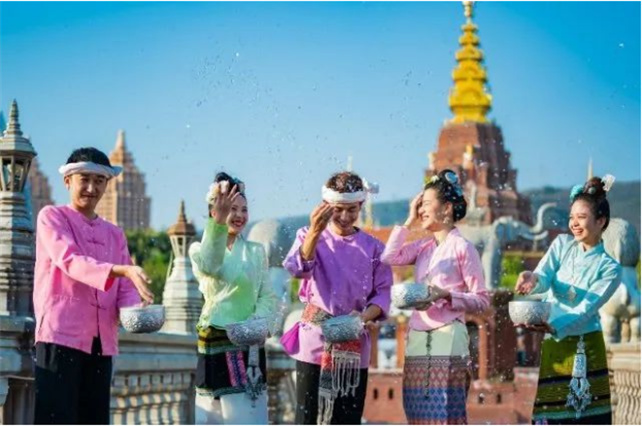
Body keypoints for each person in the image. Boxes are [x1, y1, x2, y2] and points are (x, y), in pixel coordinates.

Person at [33, 147, 154, 425]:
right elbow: (71, 260)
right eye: (84, 179)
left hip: (102, 343)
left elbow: (125, 288)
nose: (91, 188)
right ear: (68, 181)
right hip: (60, 337)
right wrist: (122, 270)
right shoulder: (52, 217)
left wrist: (138, 309)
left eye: (99, 181)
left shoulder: (115, 234)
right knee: (56, 419)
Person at [281, 171, 393, 425]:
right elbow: (297, 269)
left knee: (347, 418)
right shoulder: (308, 235)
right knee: (307, 416)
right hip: (315, 338)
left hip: (353, 340)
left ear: (361, 205)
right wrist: (315, 231)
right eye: (337, 209)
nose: (344, 216)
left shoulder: (374, 248)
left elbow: (383, 293)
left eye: (351, 210)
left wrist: (362, 318)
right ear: (325, 206)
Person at [381, 169, 490, 425]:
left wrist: (447, 295)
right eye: (420, 205)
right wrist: (409, 219)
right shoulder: (424, 247)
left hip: (449, 333)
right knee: (416, 409)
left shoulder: (464, 248)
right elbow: (389, 258)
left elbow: (482, 300)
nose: (421, 210)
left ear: (447, 208)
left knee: (446, 409)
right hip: (418, 333)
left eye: (426, 204)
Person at [515, 176, 621, 425]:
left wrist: (554, 326)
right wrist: (531, 278)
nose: (574, 223)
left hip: (584, 346)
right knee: (551, 414)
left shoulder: (610, 268)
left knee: (582, 415)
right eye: (572, 217)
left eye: (581, 217)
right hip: (554, 343)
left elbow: (587, 309)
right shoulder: (562, 244)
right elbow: (543, 277)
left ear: (600, 221)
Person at [190, 172, 277, 425]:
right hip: (213, 343)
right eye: (231, 208)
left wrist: (254, 325)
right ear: (214, 211)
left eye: (243, 209)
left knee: (247, 415)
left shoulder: (256, 252)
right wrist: (217, 223)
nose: (239, 215)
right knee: (211, 415)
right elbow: (211, 265)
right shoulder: (198, 250)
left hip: (249, 345)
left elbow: (267, 296)